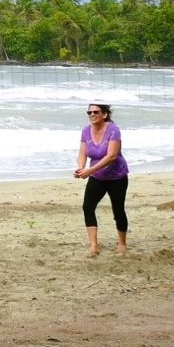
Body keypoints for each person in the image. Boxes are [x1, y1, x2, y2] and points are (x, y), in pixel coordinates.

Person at [73, 102, 129, 257]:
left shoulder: (113, 130)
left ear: (104, 115)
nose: (91, 115)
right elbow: (82, 152)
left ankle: (122, 243)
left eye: (95, 112)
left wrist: (89, 171)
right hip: (98, 176)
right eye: (89, 112)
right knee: (87, 207)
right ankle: (93, 245)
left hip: (117, 176)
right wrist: (81, 167)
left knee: (118, 210)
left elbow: (111, 156)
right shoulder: (85, 131)